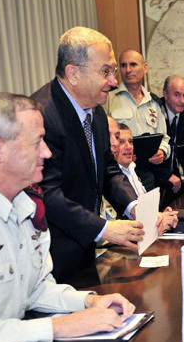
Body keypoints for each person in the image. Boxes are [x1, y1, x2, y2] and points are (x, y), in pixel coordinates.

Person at [0, 92, 136, 342]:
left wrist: (88, 301)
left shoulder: (27, 206)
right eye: (36, 142)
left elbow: (35, 290)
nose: (47, 152)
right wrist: (57, 327)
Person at [31, 26, 143, 286]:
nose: (114, 81)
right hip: (53, 260)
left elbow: (108, 170)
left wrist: (134, 207)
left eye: (112, 71)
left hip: (84, 253)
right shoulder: (42, 115)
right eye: (105, 71)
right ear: (73, 74)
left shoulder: (97, 113)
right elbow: (47, 192)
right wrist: (104, 228)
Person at [106, 49, 170, 190]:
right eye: (123, 65)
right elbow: (101, 136)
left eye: (133, 64)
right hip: (120, 173)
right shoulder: (108, 98)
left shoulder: (154, 102)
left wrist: (162, 152)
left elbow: (164, 138)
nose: (128, 70)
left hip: (149, 173)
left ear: (145, 68)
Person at [113, 123, 178, 231]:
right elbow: (123, 222)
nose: (128, 147)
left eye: (131, 142)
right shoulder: (110, 179)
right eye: (122, 142)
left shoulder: (132, 169)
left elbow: (143, 212)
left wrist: (162, 216)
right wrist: (157, 220)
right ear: (112, 146)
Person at [159, 75, 184, 195]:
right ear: (165, 95)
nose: (182, 101)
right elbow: (150, 153)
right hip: (153, 174)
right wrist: (166, 175)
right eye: (176, 95)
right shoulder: (155, 110)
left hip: (174, 175)